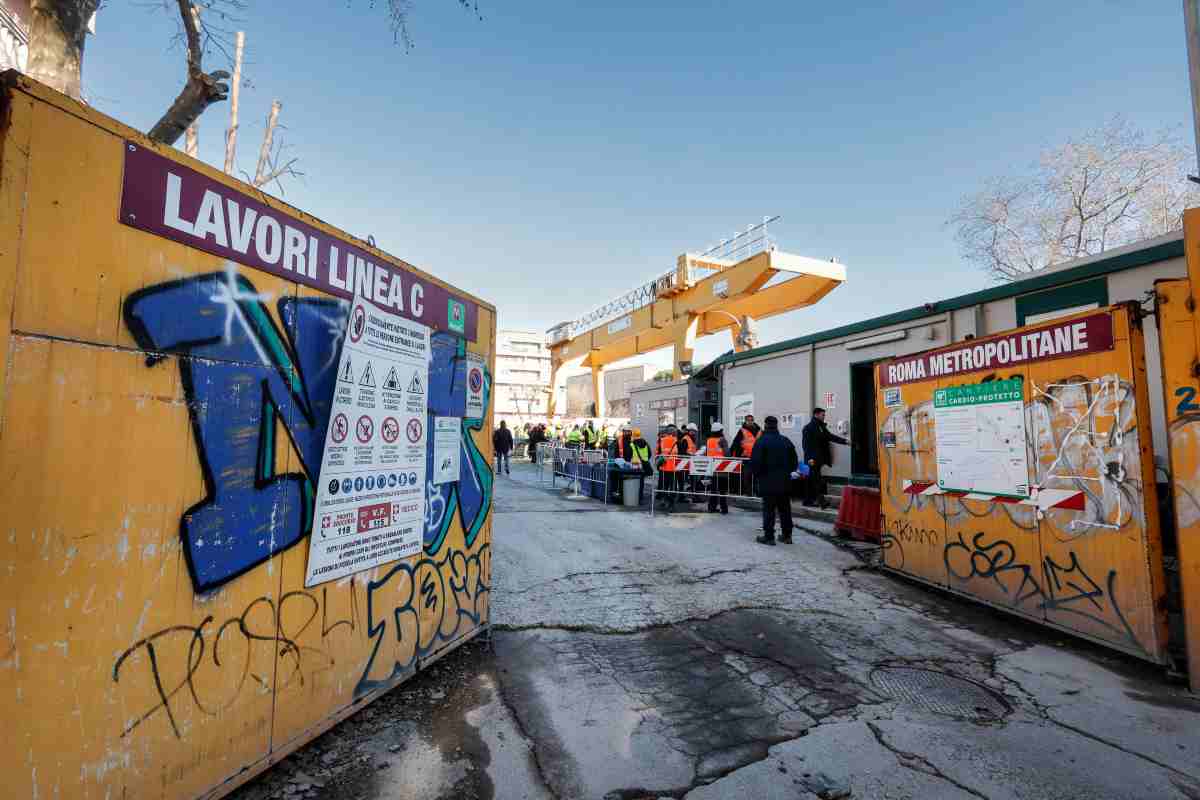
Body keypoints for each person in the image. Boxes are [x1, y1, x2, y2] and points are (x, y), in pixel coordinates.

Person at [750, 415, 799, 545]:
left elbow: (755, 462)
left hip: (768, 481)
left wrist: (757, 476)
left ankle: (769, 536)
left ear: (765, 425)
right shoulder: (785, 440)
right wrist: (787, 472)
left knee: (769, 509)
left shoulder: (761, 441)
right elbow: (794, 461)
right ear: (776, 426)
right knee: (785, 509)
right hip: (784, 481)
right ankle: (787, 535)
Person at [802, 407, 848, 508]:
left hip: (817, 459)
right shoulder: (808, 428)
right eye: (823, 415)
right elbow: (806, 445)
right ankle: (821, 501)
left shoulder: (821, 427)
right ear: (816, 415)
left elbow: (830, 436)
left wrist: (845, 441)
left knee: (811, 480)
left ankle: (807, 501)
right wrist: (809, 459)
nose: (824, 417)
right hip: (812, 460)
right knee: (816, 479)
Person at [655, 424, 683, 512]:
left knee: (664, 486)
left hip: (663, 468)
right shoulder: (677, 442)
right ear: (674, 433)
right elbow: (681, 454)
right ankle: (671, 504)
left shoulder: (662, 440)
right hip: (673, 469)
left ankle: (663, 501)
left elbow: (658, 453)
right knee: (673, 488)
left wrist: (658, 463)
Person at [705, 422, 730, 514]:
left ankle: (711, 507)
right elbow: (727, 454)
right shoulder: (722, 440)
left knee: (713, 489)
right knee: (722, 490)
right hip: (722, 468)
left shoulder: (709, 440)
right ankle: (724, 509)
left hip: (712, 468)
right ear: (720, 431)